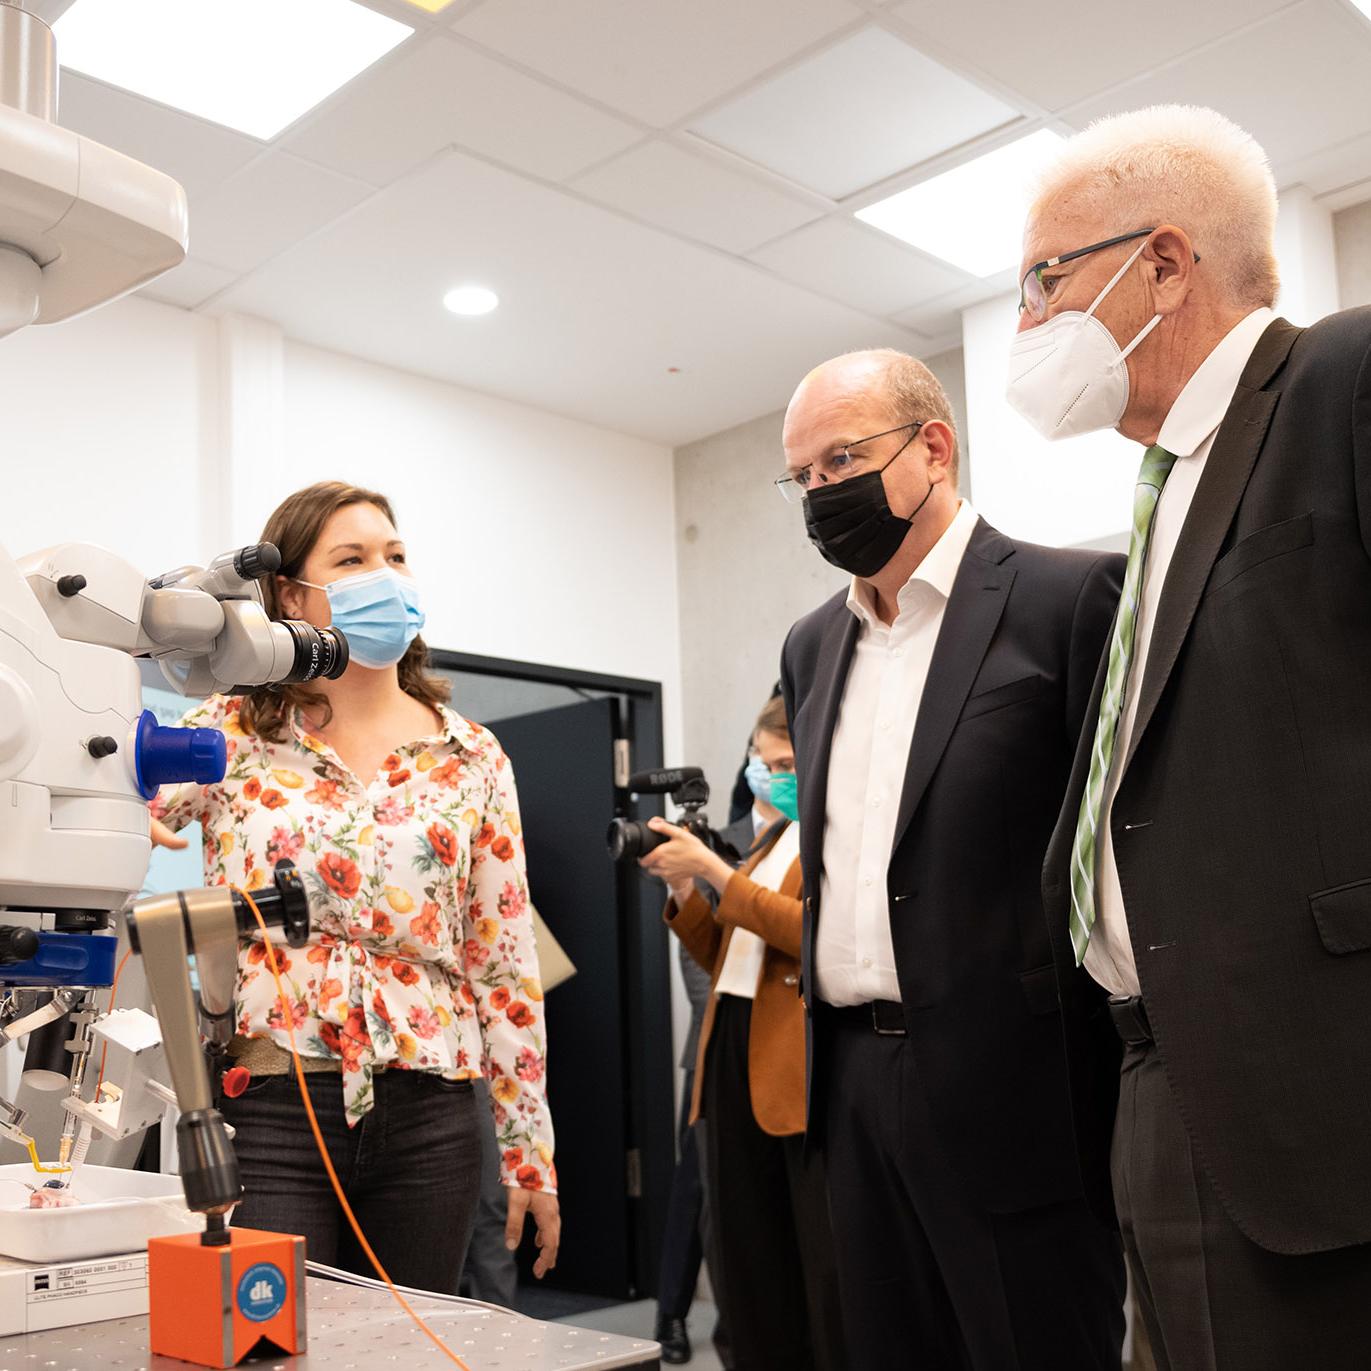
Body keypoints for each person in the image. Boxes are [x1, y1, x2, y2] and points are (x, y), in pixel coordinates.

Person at [1014, 106, 1371, 1371]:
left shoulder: (1341, 375)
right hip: (1160, 1080)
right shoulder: (1165, 487)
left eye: (1043, 282)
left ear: (1163, 265)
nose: (1025, 328)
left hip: (1313, 1094)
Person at [779, 348, 1126, 1369]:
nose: (819, 494)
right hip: (848, 1082)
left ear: (934, 447)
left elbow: (1116, 850)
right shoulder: (810, 645)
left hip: (1013, 1091)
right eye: (801, 476)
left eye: (841, 460)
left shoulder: (1069, 601)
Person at [151, 480, 559, 1291]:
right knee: (275, 1338)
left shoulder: (471, 755)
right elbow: (106, 791)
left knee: (409, 1340)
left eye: (395, 555)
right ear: (290, 593)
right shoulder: (228, 729)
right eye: (352, 559)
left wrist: (528, 1151)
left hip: (432, 1106)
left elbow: (504, 963)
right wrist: (127, 809)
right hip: (271, 1092)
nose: (387, 575)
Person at [639, 696, 844, 1371]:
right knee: (740, 1255)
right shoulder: (766, 837)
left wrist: (718, 874)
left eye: (788, 762)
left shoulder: (827, 834)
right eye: (766, 759)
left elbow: (810, 934)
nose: (774, 772)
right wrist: (686, 894)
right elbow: (724, 955)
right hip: (726, 1049)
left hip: (784, 1058)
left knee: (804, 1261)